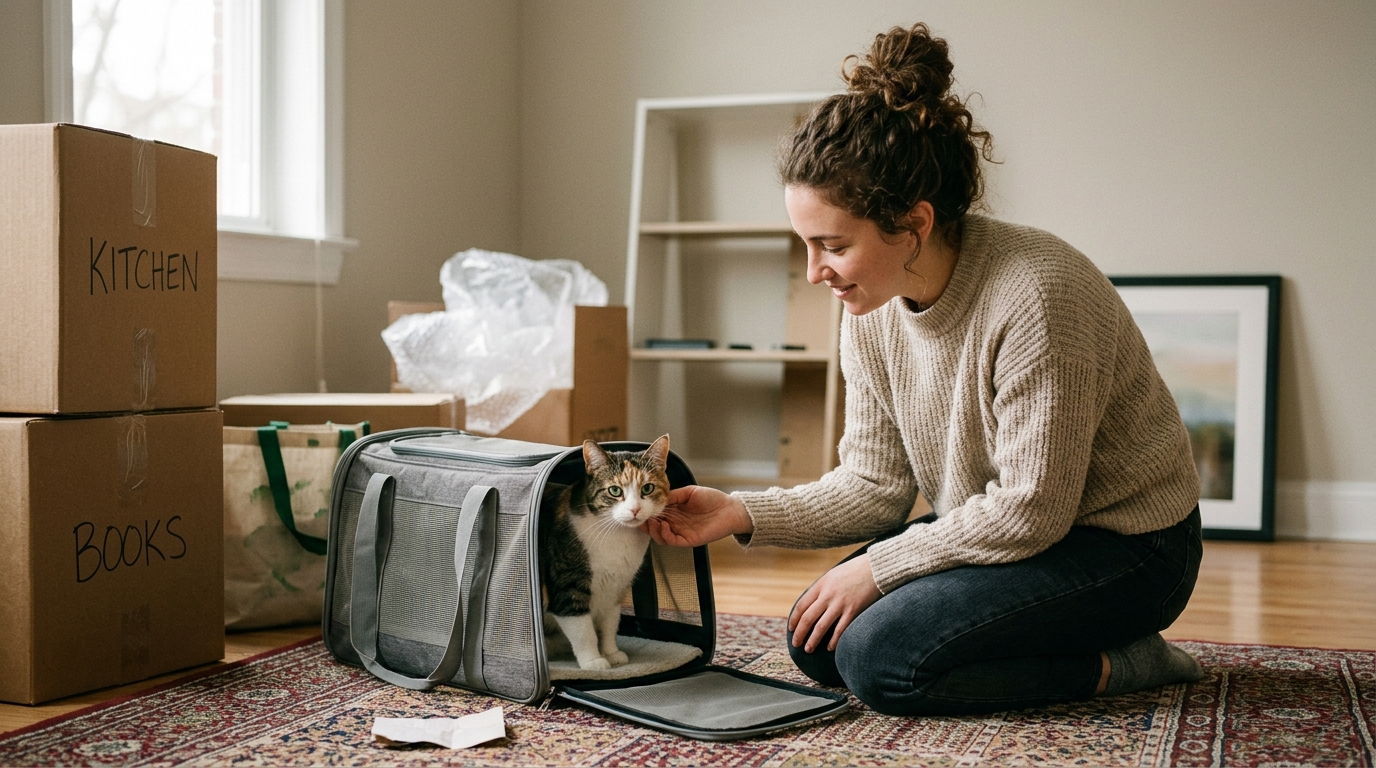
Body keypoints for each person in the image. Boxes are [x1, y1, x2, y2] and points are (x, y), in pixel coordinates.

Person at [644, 23, 1205, 716]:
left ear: (912, 223)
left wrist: (879, 567)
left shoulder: (1038, 293)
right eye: (806, 246)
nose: (814, 272)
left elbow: (1032, 510)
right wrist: (739, 511)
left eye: (832, 246)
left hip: (1128, 552)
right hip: (1007, 526)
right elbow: (876, 487)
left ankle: (1123, 661)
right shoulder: (870, 308)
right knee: (817, 642)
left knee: (882, 663)